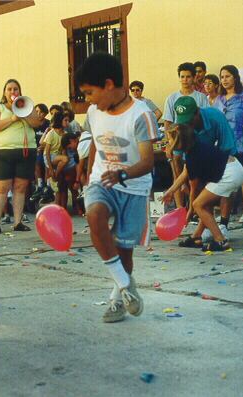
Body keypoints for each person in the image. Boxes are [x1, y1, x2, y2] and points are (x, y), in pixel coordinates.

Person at [78, 52, 158, 323]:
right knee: (94, 215)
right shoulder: (93, 112)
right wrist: (89, 174)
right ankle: (126, 285)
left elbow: (148, 161)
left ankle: (117, 299)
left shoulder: (141, 115)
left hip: (133, 188)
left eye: (90, 92)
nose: (89, 100)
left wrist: (123, 174)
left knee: (124, 249)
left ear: (109, 84)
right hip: (102, 180)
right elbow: (95, 146)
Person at [162, 124, 243, 251]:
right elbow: (185, 173)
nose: (168, 142)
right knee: (205, 203)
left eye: (170, 140)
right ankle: (196, 237)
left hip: (229, 174)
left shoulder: (193, 157)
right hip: (235, 168)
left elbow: (194, 189)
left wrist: (190, 211)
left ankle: (220, 240)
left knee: (199, 205)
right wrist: (170, 191)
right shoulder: (195, 147)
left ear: (179, 142)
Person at [170, 96, 236, 231]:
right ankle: (204, 229)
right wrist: (180, 185)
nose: (187, 125)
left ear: (197, 112)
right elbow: (178, 159)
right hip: (201, 157)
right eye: (184, 122)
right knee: (200, 193)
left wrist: (189, 212)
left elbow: (227, 149)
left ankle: (222, 225)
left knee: (222, 186)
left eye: (189, 120)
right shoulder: (181, 126)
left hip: (224, 158)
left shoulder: (216, 117)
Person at [0, 79, 43, 234]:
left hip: (25, 151)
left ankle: (18, 222)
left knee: (20, 187)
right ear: (4, 92)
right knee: (2, 187)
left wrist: (22, 112)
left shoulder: (26, 105)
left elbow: (36, 123)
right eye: (10, 89)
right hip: (2, 152)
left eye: (16, 89)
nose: (13, 92)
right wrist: (12, 118)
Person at [163, 62, 210, 208]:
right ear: (179, 78)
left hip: (196, 142)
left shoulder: (201, 98)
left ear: (194, 78)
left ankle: (195, 208)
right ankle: (180, 209)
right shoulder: (172, 98)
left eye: (188, 77)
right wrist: (170, 144)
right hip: (178, 141)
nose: (185, 80)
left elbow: (206, 119)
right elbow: (168, 123)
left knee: (195, 178)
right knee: (177, 176)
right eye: (182, 77)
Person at [215, 65, 243, 225]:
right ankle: (224, 216)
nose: (224, 80)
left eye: (227, 76)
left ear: (235, 77)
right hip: (223, 146)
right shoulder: (219, 99)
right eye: (222, 77)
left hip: (242, 142)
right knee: (226, 179)